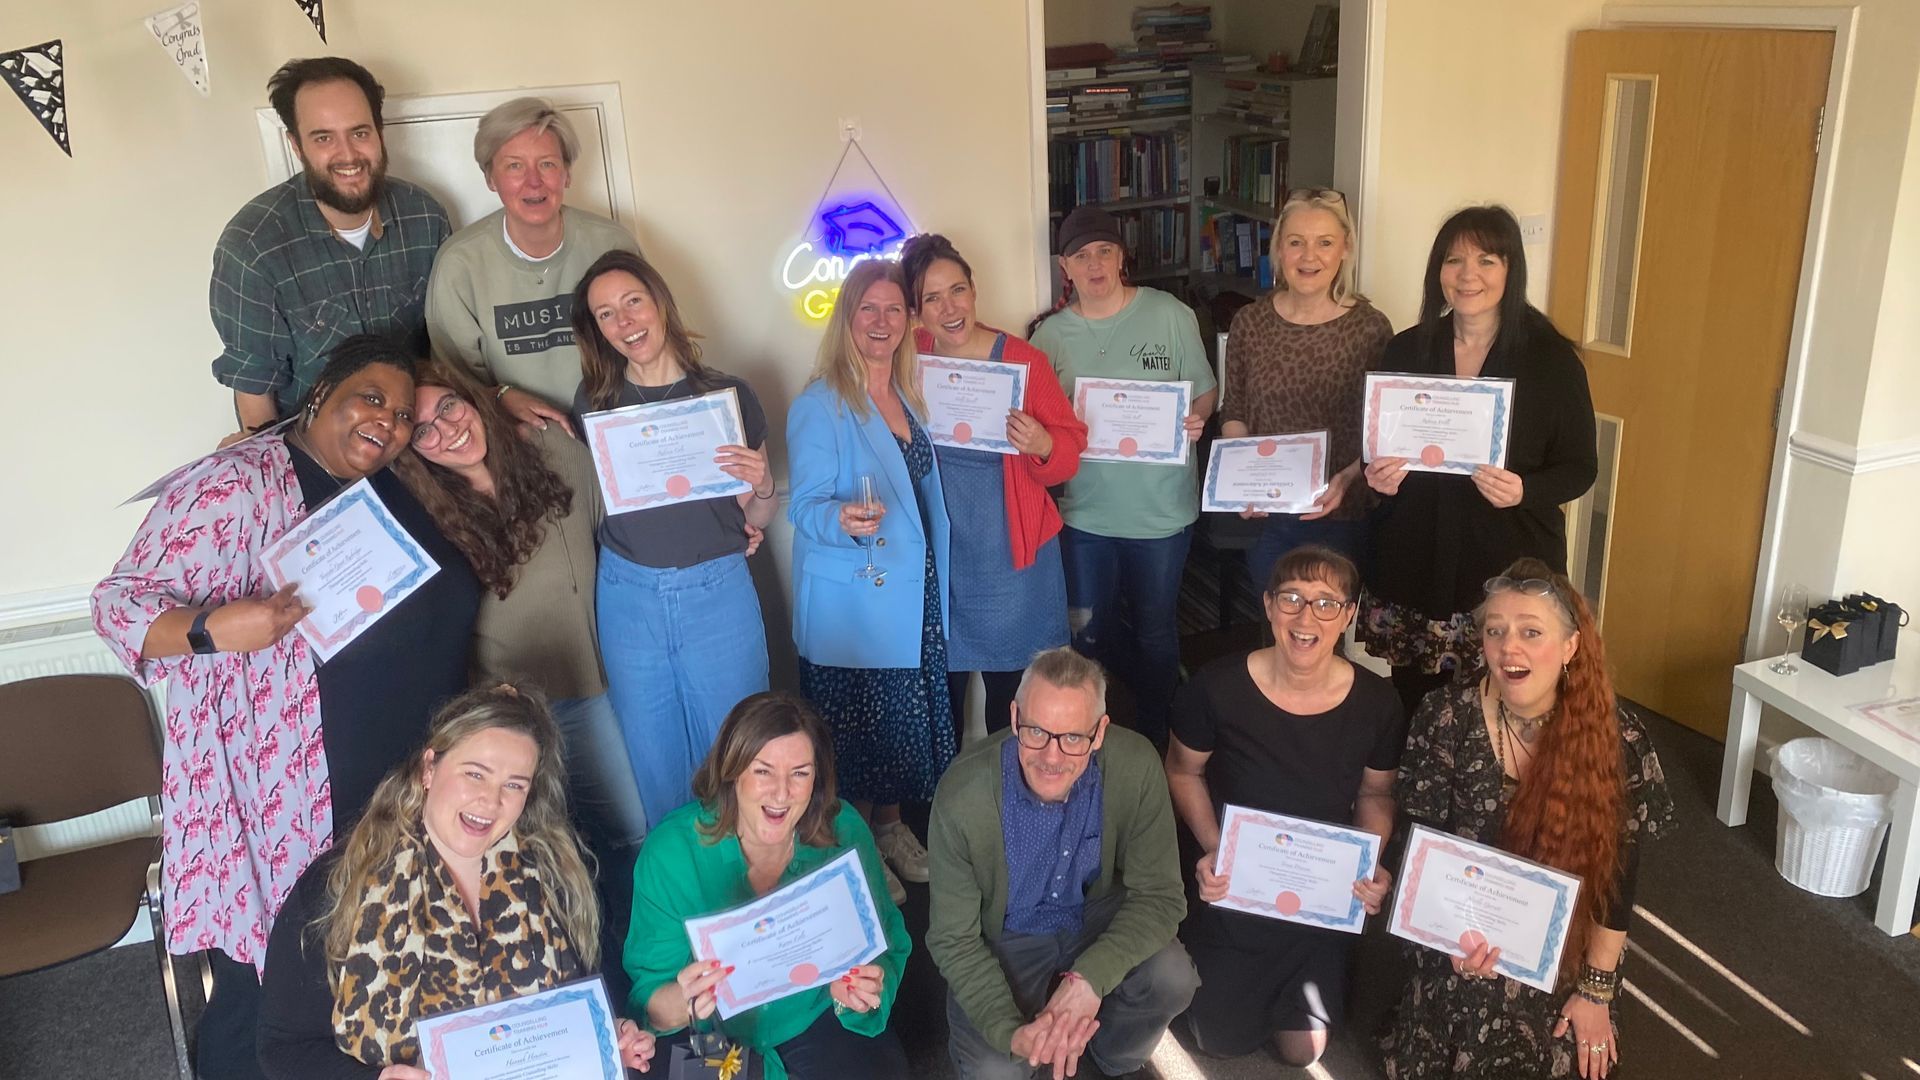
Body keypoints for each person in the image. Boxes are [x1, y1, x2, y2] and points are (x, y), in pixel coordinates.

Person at [93, 335, 480, 1080]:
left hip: (398, 772)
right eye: (370, 397)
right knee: (277, 973)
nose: (388, 422)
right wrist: (214, 627)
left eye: (402, 413)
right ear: (321, 392)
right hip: (289, 788)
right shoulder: (235, 484)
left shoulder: (395, 481)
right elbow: (118, 604)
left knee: (371, 955)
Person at [257, 685, 657, 1079]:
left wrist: (613, 1035)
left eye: (514, 784)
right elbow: (282, 1050)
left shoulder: (558, 872)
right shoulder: (340, 884)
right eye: (475, 774)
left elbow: (600, 995)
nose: (490, 800)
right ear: (429, 768)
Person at [393, 359, 649, 971]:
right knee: (548, 853)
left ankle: (641, 964)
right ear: (415, 453)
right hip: (514, 713)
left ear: (474, 398)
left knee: (631, 828)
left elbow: (623, 516)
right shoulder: (427, 519)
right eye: (424, 430)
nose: (446, 430)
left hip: (600, 680)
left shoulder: (553, 451)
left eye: (449, 407)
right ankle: (593, 976)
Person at [1381, 559, 1675, 1079]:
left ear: (1570, 646)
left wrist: (1595, 990)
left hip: (1566, 938)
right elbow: (1420, 843)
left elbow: (1618, 878)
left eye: (1530, 632)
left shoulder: (1618, 738)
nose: (1508, 647)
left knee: (1563, 1042)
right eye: (1495, 630)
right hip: (1463, 926)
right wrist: (1446, 932)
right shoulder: (1444, 716)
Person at [1166, 545, 1402, 1065]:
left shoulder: (1377, 701)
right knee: (1217, 1039)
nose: (1305, 617)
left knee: (1304, 1050)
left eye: (1325, 603)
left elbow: (1375, 793)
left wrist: (1371, 861)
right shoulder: (1216, 686)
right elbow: (1183, 769)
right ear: (1268, 605)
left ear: (1348, 615)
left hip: (1320, 894)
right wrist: (1215, 849)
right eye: (1292, 599)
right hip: (1239, 886)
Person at [1358, 205, 1598, 717]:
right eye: (1454, 260)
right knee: (1415, 703)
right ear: (1437, 272)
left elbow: (1581, 467)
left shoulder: (1551, 360)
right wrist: (1378, 478)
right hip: (1415, 560)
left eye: (1487, 260)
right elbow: (1377, 453)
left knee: (1508, 705)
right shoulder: (1406, 349)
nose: (1468, 275)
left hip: (1507, 562)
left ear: (1511, 271)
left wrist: (1524, 490)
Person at [568, 250, 776, 830]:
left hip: (718, 589)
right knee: (654, 760)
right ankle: (681, 905)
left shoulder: (730, 395)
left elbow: (757, 513)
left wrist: (763, 484)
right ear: (598, 330)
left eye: (632, 301)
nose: (625, 321)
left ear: (659, 301)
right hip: (627, 593)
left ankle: (744, 892)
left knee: (739, 749)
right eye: (606, 314)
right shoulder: (595, 402)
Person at [927, 647, 1199, 1080]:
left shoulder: (1137, 764)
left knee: (1172, 977)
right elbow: (952, 939)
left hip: (1093, 911)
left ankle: (1113, 1058)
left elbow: (1162, 897)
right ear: (1014, 717)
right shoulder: (962, 795)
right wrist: (1008, 1032)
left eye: (1074, 737)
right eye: (1036, 731)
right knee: (995, 1070)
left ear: (1100, 732)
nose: (1052, 757)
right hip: (1009, 931)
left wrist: (1091, 978)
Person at [624, 692, 911, 1080]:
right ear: (731, 771)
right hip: (710, 1035)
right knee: (662, 1068)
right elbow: (650, 1000)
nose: (781, 792)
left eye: (800, 773)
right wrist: (683, 998)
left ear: (817, 780)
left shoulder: (844, 831)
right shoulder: (671, 855)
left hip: (813, 1013)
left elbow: (886, 941)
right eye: (763, 771)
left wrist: (860, 994)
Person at [787, 258, 954, 902]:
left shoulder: (909, 392)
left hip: (912, 587)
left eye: (893, 310)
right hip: (858, 598)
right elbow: (804, 508)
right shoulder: (821, 402)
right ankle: (857, 846)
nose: (882, 323)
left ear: (908, 320)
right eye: (868, 310)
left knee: (899, 728)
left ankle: (888, 830)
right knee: (857, 735)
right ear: (847, 319)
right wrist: (844, 521)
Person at [1028, 206, 1216, 749]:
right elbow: (1040, 423)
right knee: (1089, 635)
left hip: (1161, 512)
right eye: (1081, 256)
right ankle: (1091, 737)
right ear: (1065, 266)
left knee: (1158, 631)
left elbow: (1203, 388)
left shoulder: (1169, 314)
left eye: (1104, 251)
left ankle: (1157, 734)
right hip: (1085, 511)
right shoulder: (1051, 337)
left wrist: (1198, 418)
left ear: (1121, 255)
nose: (1095, 265)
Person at [901, 232, 1086, 740]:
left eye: (956, 290)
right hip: (941, 557)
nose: (949, 307)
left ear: (974, 290)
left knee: (1013, 699)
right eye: (931, 299)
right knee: (941, 697)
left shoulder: (1024, 361)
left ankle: (1008, 801)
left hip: (1012, 557)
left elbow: (1068, 453)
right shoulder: (908, 356)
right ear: (916, 311)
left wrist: (1044, 442)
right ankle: (938, 812)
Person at [211, 58, 449, 442]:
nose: (348, 155)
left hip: (416, 437)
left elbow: (445, 350)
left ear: (380, 132)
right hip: (319, 454)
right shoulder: (252, 247)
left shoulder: (424, 216)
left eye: (359, 133)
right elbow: (255, 392)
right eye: (323, 137)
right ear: (296, 145)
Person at [424, 97, 641, 432]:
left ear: (566, 174)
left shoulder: (611, 244)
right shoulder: (459, 265)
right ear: (490, 178)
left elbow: (651, 344)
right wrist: (499, 397)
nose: (534, 182)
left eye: (547, 164)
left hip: (618, 424)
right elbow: (454, 383)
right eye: (514, 166)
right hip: (521, 436)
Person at [1219, 189, 1393, 586]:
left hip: (1342, 512)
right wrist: (1243, 480)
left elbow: (1384, 432)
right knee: (1275, 622)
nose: (1309, 256)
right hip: (1269, 516)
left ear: (1345, 249)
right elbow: (1235, 413)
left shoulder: (1370, 329)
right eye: (1296, 242)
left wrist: (1349, 480)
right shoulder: (1250, 322)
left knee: (1327, 626)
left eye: (1325, 243)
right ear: (1278, 249)